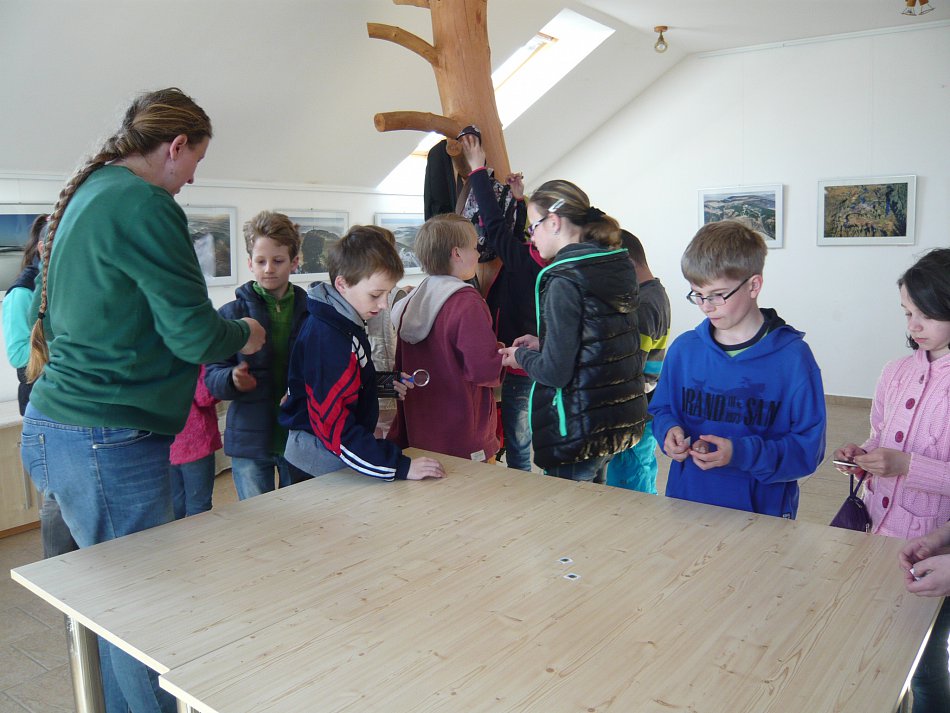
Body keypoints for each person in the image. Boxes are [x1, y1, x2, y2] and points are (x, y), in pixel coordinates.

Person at [18, 87, 265, 713]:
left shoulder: (94, 189)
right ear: (175, 146)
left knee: (110, 602)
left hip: (59, 426)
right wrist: (245, 333)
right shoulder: (145, 203)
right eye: (195, 162)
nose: (191, 180)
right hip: (105, 437)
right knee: (140, 609)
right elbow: (193, 334)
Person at [835, 248, 950, 712]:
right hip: (876, 535)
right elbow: (880, 436)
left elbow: (905, 460)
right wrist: (862, 458)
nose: (913, 326)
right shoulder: (895, 372)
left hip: (932, 551)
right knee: (876, 654)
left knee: (925, 667)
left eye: (927, 314)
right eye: (907, 312)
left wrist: (906, 465)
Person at [649, 220, 825, 518]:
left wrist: (740, 454)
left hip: (762, 515)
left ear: (754, 285)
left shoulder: (793, 359)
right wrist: (668, 431)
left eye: (717, 294)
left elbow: (808, 452)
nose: (706, 306)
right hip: (688, 504)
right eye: (697, 294)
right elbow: (662, 409)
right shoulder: (684, 350)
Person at [498, 180, 646, 482]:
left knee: (567, 512)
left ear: (553, 222)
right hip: (616, 419)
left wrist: (520, 356)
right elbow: (597, 339)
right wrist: (544, 343)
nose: (531, 237)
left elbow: (554, 373)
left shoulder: (564, 279)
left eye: (533, 227)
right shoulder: (616, 264)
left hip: (579, 428)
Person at [280, 226, 446, 482]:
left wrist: (382, 384)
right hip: (318, 465)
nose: (383, 304)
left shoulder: (345, 322)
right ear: (342, 284)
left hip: (335, 458)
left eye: (387, 294)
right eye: (376, 294)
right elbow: (334, 426)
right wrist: (398, 466)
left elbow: (343, 382)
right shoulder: (329, 337)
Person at [205, 211, 308, 499]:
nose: (269, 269)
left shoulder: (312, 312)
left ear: (295, 262)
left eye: (278, 261)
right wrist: (232, 378)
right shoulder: (230, 315)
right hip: (249, 438)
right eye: (261, 261)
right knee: (256, 518)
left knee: (302, 515)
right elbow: (211, 373)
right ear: (250, 263)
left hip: (299, 435)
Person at [388, 213, 504, 461]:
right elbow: (483, 370)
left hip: (420, 429)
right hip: (464, 434)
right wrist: (502, 352)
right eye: (474, 247)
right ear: (457, 253)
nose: (478, 255)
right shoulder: (466, 302)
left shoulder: (412, 299)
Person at [460, 133, 542, 472]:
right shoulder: (547, 261)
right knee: (532, 439)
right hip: (541, 358)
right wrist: (519, 203)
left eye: (536, 225)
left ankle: (519, 491)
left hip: (521, 364)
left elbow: (495, 227)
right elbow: (513, 235)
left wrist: (477, 169)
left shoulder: (523, 261)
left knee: (519, 445)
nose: (531, 232)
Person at [2, 214, 78, 558]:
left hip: (70, 399)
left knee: (74, 496)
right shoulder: (21, 293)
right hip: (43, 403)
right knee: (57, 498)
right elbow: (20, 355)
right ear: (45, 248)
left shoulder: (64, 284)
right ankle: (58, 574)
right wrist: (72, 348)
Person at [606, 230, 671, 494]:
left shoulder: (644, 304)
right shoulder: (655, 292)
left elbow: (630, 368)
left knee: (630, 482)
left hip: (637, 412)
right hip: (644, 407)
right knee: (640, 469)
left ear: (627, 263)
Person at [169, 365, 220, 517]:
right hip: (196, 442)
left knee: (175, 504)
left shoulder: (157, 359)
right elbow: (205, 397)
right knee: (199, 506)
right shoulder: (195, 359)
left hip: (166, 442)